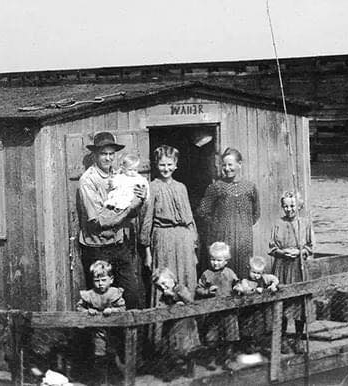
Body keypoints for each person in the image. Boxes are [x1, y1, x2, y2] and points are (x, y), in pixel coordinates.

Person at [139, 145, 199, 352]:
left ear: (176, 165)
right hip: (162, 239)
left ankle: (187, 343)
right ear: (156, 165)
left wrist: (194, 244)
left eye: (169, 164)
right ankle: (161, 345)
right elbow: (147, 220)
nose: (165, 168)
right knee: (163, 288)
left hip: (183, 240)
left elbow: (190, 218)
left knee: (185, 285)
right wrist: (147, 250)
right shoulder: (152, 186)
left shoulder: (181, 187)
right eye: (162, 164)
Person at [78, 132, 145, 309]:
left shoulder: (120, 175)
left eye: (111, 154)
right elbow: (98, 221)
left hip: (119, 243)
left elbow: (132, 212)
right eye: (103, 154)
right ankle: (103, 337)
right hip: (97, 247)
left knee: (131, 294)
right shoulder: (88, 180)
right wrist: (130, 207)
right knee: (100, 300)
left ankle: (131, 337)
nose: (108, 158)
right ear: (95, 155)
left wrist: (140, 200)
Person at [196, 147, 260, 279]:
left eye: (230, 164)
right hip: (223, 238)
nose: (227, 168)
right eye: (224, 165)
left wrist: (243, 226)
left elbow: (256, 212)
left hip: (244, 239)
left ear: (239, 164)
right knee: (223, 273)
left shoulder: (250, 187)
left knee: (243, 272)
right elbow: (202, 211)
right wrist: (218, 226)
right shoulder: (216, 187)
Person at [268, 191, 314, 354]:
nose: (289, 209)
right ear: (282, 207)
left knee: (299, 302)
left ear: (298, 206)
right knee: (282, 301)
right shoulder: (278, 223)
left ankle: (298, 339)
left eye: (292, 205)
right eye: (286, 206)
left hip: (298, 266)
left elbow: (310, 246)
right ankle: (282, 340)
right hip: (282, 266)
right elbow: (272, 247)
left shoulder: (305, 223)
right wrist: (282, 253)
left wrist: (300, 253)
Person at [76, 260, 126, 382]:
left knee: (113, 354)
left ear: (111, 279)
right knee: (99, 356)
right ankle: (100, 381)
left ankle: (116, 380)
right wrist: (87, 311)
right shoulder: (90, 294)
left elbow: (123, 309)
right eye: (97, 281)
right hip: (98, 332)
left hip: (114, 331)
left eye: (104, 280)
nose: (100, 284)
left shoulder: (115, 293)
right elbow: (79, 307)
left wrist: (112, 310)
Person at [196, 242, 239, 369]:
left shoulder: (230, 273)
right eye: (213, 259)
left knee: (230, 335)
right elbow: (198, 289)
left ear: (226, 261)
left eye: (219, 260)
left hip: (228, 311)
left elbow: (237, 283)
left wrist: (237, 288)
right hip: (212, 312)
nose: (215, 263)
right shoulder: (206, 274)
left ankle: (227, 359)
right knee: (211, 337)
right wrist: (207, 292)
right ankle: (212, 358)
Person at [152, 267, 199, 378]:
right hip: (171, 325)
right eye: (159, 287)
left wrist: (174, 296)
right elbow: (161, 306)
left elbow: (189, 300)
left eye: (164, 283)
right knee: (170, 347)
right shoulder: (164, 295)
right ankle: (172, 370)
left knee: (185, 348)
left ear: (172, 279)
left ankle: (190, 364)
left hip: (185, 324)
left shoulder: (180, 288)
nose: (163, 288)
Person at [233, 256, 279, 353]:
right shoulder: (245, 281)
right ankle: (249, 344)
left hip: (260, 309)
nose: (256, 276)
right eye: (254, 272)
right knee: (248, 325)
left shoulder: (264, 278)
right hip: (249, 309)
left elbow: (275, 278)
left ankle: (259, 343)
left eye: (259, 273)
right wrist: (254, 290)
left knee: (261, 325)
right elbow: (246, 290)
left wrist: (273, 285)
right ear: (248, 269)